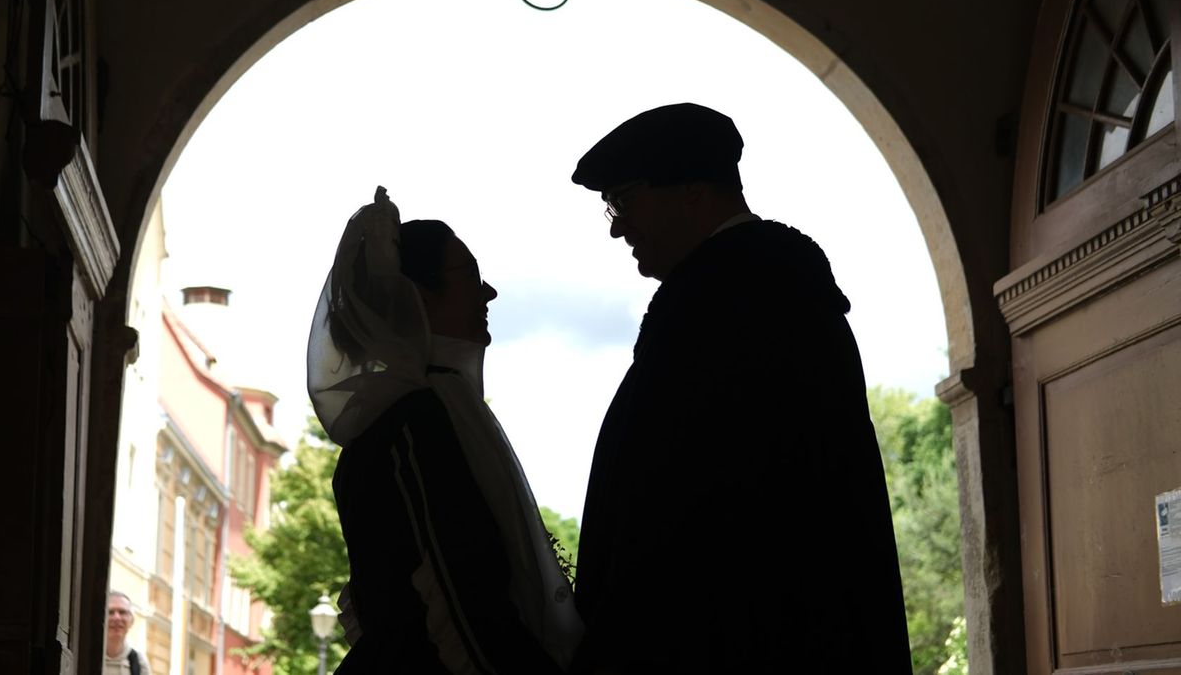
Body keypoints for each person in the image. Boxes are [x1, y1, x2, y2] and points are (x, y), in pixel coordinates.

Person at [568, 103, 911, 672]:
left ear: (692, 191)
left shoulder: (727, 301)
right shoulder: (765, 288)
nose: (616, 225)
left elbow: (686, 516)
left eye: (624, 201)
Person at [309, 187, 582, 674]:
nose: (488, 292)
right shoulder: (414, 424)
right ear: (417, 298)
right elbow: (460, 605)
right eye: (471, 278)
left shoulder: (426, 414)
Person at [103, 591, 152, 675]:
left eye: (122, 612)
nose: (117, 618)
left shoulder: (139, 663)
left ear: (131, 621)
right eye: (110, 612)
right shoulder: (85, 656)